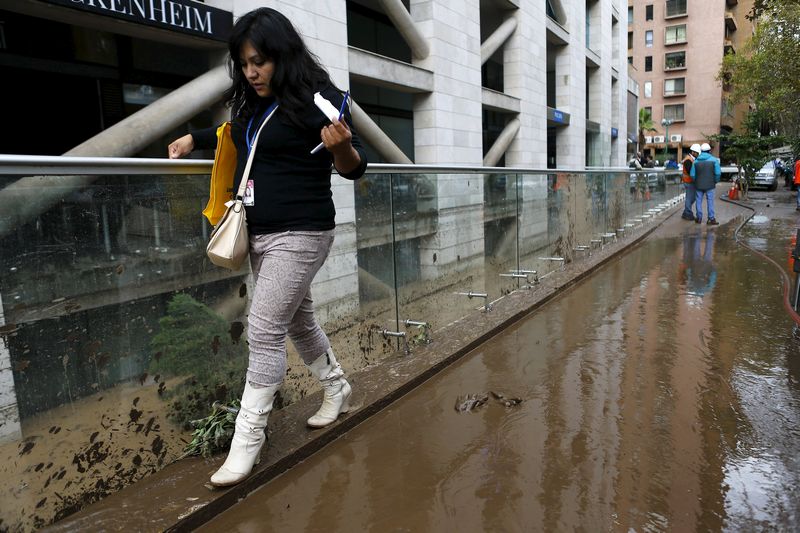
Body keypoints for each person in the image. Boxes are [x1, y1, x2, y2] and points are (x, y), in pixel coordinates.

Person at [168, 7, 367, 487]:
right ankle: (337, 389)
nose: (252, 72)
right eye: (244, 63)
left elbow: (355, 167)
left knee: (262, 327)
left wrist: (339, 145)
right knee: (298, 320)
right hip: (259, 233)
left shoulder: (317, 99)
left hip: (303, 232)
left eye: (260, 61)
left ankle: (247, 442)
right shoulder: (253, 104)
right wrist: (193, 139)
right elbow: (239, 138)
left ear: (282, 55)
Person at [690, 143, 721, 225]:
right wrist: (715, 181)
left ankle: (699, 218)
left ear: (701, 151)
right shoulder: (714, 160)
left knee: (698, 201)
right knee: (710, 201)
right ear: (709, 151)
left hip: (698, 185)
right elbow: (718, 173)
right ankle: (711, 219)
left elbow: (692, 175)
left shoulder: (695, 162)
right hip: (710, 185)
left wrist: (696, 181)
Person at [681, 144, 701, 220]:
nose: (698, 155)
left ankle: (686, 212)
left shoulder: (691, 159)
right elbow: (690, 172)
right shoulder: (688, 160)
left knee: (691, 198)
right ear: (693, 152)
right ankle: (688, 213)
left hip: (689, 181)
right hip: (689, 182)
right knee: (690, 198)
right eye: (697, 153)